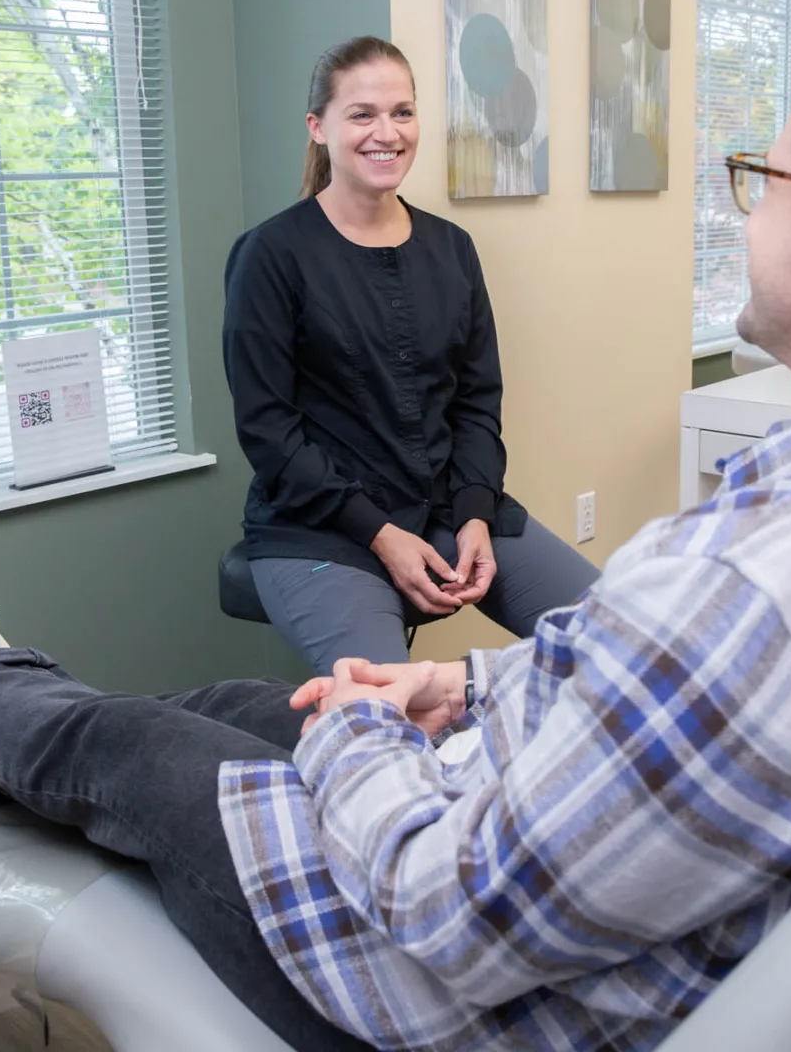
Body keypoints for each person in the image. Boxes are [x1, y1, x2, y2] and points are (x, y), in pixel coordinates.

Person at [0, 14, 791, 1052]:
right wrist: (455, 679)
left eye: (761, 180)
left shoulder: (773, 587)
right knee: (225, 703)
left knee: (145, 741)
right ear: (322, 130)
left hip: (413, 972)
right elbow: (286, 440)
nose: (740, 211)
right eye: (360, 111)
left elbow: (448, 904)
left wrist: (363, 725)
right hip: (352, 564)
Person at [223, 36, 598, 675]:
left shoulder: (452, 249)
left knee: (623, 640)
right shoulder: (272, 255)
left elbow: (478, 404)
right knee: (387, 713)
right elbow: (269, 433)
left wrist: (477, 516)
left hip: (449, 511)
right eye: (362, 114)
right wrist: (381, 533)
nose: (386, 132)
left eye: (402, 112)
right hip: (324, 529)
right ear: (318, 128)